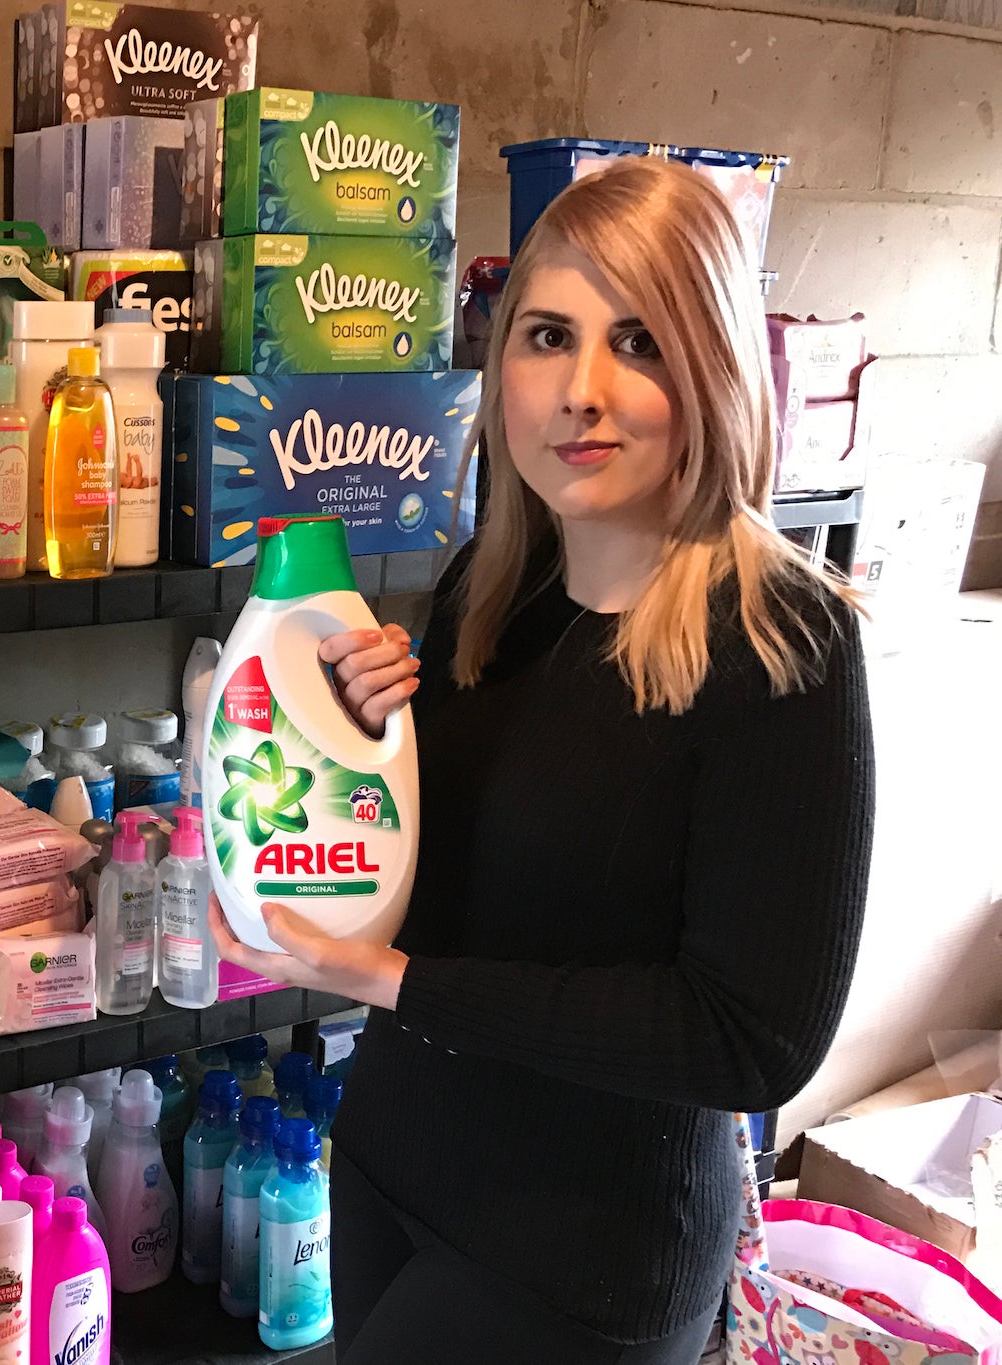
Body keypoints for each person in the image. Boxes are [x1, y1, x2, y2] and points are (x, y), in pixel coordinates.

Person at [209, 159, 874, 1363]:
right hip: (390, 1165)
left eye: (637, 341)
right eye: (546, 336)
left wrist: (389, 981)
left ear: (711, 367)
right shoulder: (489, 593)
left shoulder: (782, 641)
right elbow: (463, 881)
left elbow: (750, 1036)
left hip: (579, 1260)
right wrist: (347, 754)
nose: (581, 390)